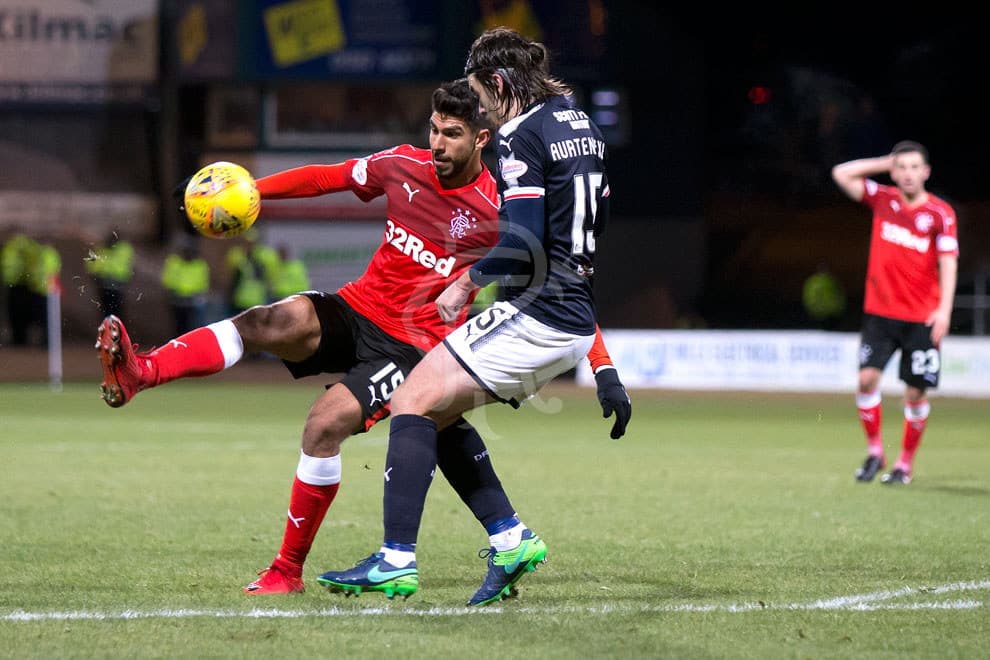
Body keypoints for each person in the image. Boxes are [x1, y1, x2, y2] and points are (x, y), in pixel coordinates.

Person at [96, 79, 630, 597]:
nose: (438, 144)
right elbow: (327, 177)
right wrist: (251, 191)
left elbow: (564, 292)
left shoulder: (500, 210)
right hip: (358, 306)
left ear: (482, 139)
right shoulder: (403, 165)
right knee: (268, 320)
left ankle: (288, 569)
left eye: (452, 134)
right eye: (434, 130)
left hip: (412, 348)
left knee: (325, 423)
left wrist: (603, 368)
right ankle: (142, 372)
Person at [317, 27, 622, 607]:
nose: (479, 107)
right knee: (438, 414)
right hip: (570, 314)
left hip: (538, 312)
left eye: (481, 95)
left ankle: (394, 560)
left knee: (409, 399)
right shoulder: (580, 124)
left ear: (501, 84)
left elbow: (524, 239)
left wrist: (466, 283)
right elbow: (591, 231)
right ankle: (510, 540)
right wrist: (602, 363)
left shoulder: (519, 136)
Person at [831, 140, 958, 485]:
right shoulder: (883, 199)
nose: (907, 173)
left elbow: (948, 263)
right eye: (901, 167)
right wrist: (884, 161)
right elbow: (840, 173)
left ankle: (904, 464)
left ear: (926, 172)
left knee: (915, 392)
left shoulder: (940, 214)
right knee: (866, 379)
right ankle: (876, 452)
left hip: (922, 318)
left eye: (914, 167)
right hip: (880, 314)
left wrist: (944, 311)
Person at [161, 235, 210, 335]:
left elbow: (204, 283)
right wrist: (169, 293)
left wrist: (199, 295)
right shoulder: (174, 262)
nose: (188, 253)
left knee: (192, 327)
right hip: (177, 299)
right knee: (178, 326)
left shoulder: (200, 265)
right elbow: (168, 279)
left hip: (193, 300)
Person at [85, 230, 134, 319]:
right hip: (115, 284)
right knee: (115, 309)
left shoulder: (102, 249)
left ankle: (109, 328)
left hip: (106, 283)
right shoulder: (125, 249)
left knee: (108, 309)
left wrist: (95, 277)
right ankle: (115, 328)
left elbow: (93, 265)